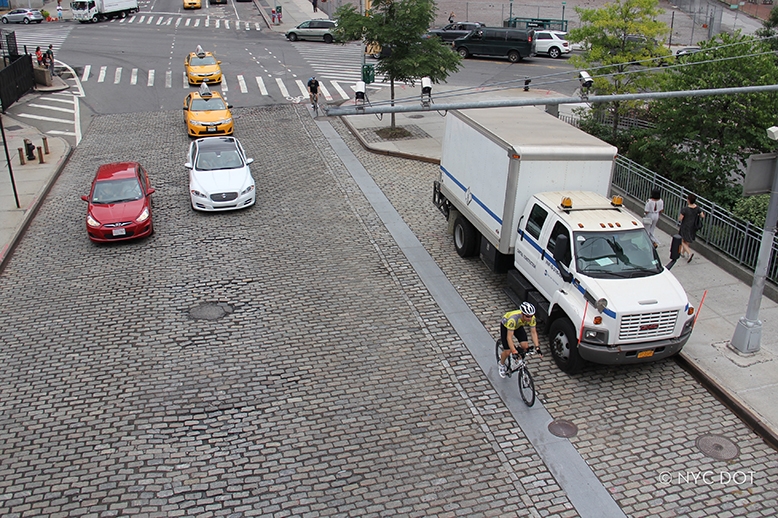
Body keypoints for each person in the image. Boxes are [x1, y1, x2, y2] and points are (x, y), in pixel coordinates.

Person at [498, 302, 542, 378]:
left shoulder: (532, 318)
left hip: (518, 326)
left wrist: (537, 347)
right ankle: (501, 364)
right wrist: (514, 351)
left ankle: (518, 360)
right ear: (522, 314)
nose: (529, 318)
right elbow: (509, 337)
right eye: (527, 316)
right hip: (506, 326)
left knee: (525, 346)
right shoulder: (513, 319)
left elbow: (533, 332)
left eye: (531, 316)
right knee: (508, 351)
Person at [678, 193, 704, 263]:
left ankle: (689, 253)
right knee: (687, 240)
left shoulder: (685, 209)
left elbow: (680, 218)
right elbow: (702, 216)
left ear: (688, 200)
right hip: (693, 226)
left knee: (682, 240)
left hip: (685, 226)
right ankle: (683, 253)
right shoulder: (697, 208)